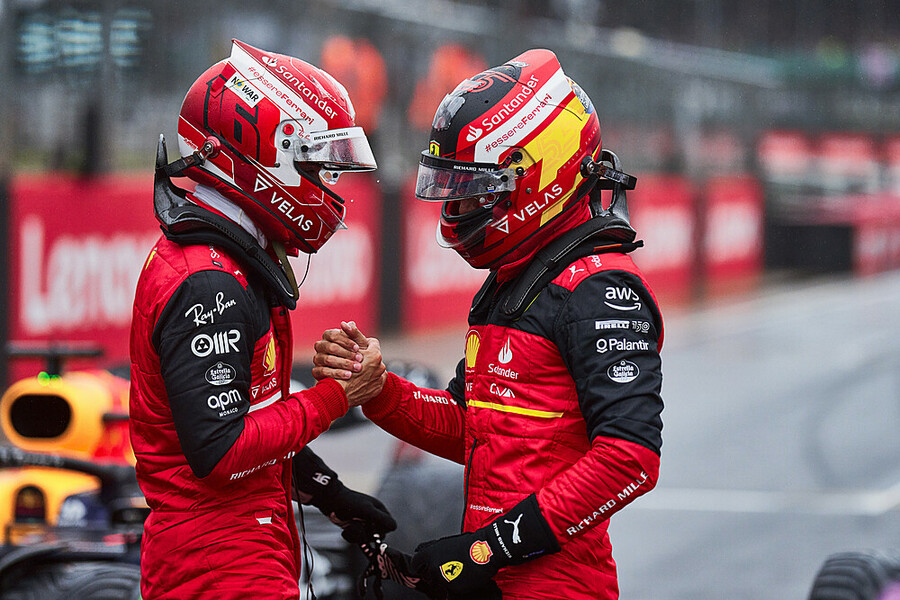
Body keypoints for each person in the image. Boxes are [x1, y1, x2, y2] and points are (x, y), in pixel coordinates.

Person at [314, 48, 664, 600]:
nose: (458, 206)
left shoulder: (599, 289)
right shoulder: (516, 280)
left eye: (474, 189)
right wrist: (379, 390)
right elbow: (473, 430)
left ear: (534, 177)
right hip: (495, 582)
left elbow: (630, 458)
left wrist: (487, 549)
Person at [129, 39, 394, 599]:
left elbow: (251, 423)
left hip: (234, 549)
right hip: (218, 564)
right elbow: (223, 452)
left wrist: (327, 491)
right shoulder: (209, 282)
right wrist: (336, 397)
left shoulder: (227, 259)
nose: (327, 187)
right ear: (267, 155)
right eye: (315, 167)